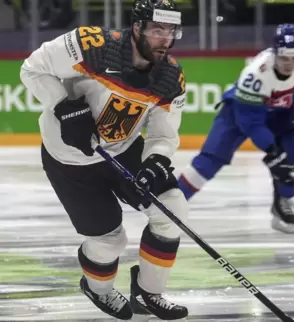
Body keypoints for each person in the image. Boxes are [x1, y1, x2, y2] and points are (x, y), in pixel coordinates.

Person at [19, 0, 189, 320]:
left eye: (171, 31)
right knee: (109, 241)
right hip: (69, 160)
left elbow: (163, 135)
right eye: (157, 30)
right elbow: (32, 68)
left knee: (172, 208)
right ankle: (98, 289)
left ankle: (149, 291)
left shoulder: (170, 78)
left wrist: (156, 159)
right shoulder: (91, 45)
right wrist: (65, 108)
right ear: (137, 28)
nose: (165, 40)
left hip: (124, 148)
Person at [178, 23, 294, 234]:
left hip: (281, 113)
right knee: (209, 161)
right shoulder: (256, 75)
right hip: (240, 113)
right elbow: (251, 123)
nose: (289, 64)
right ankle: (170, 203)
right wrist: (273, 152)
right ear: (274, 54)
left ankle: (283, 199)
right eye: (284, 58)